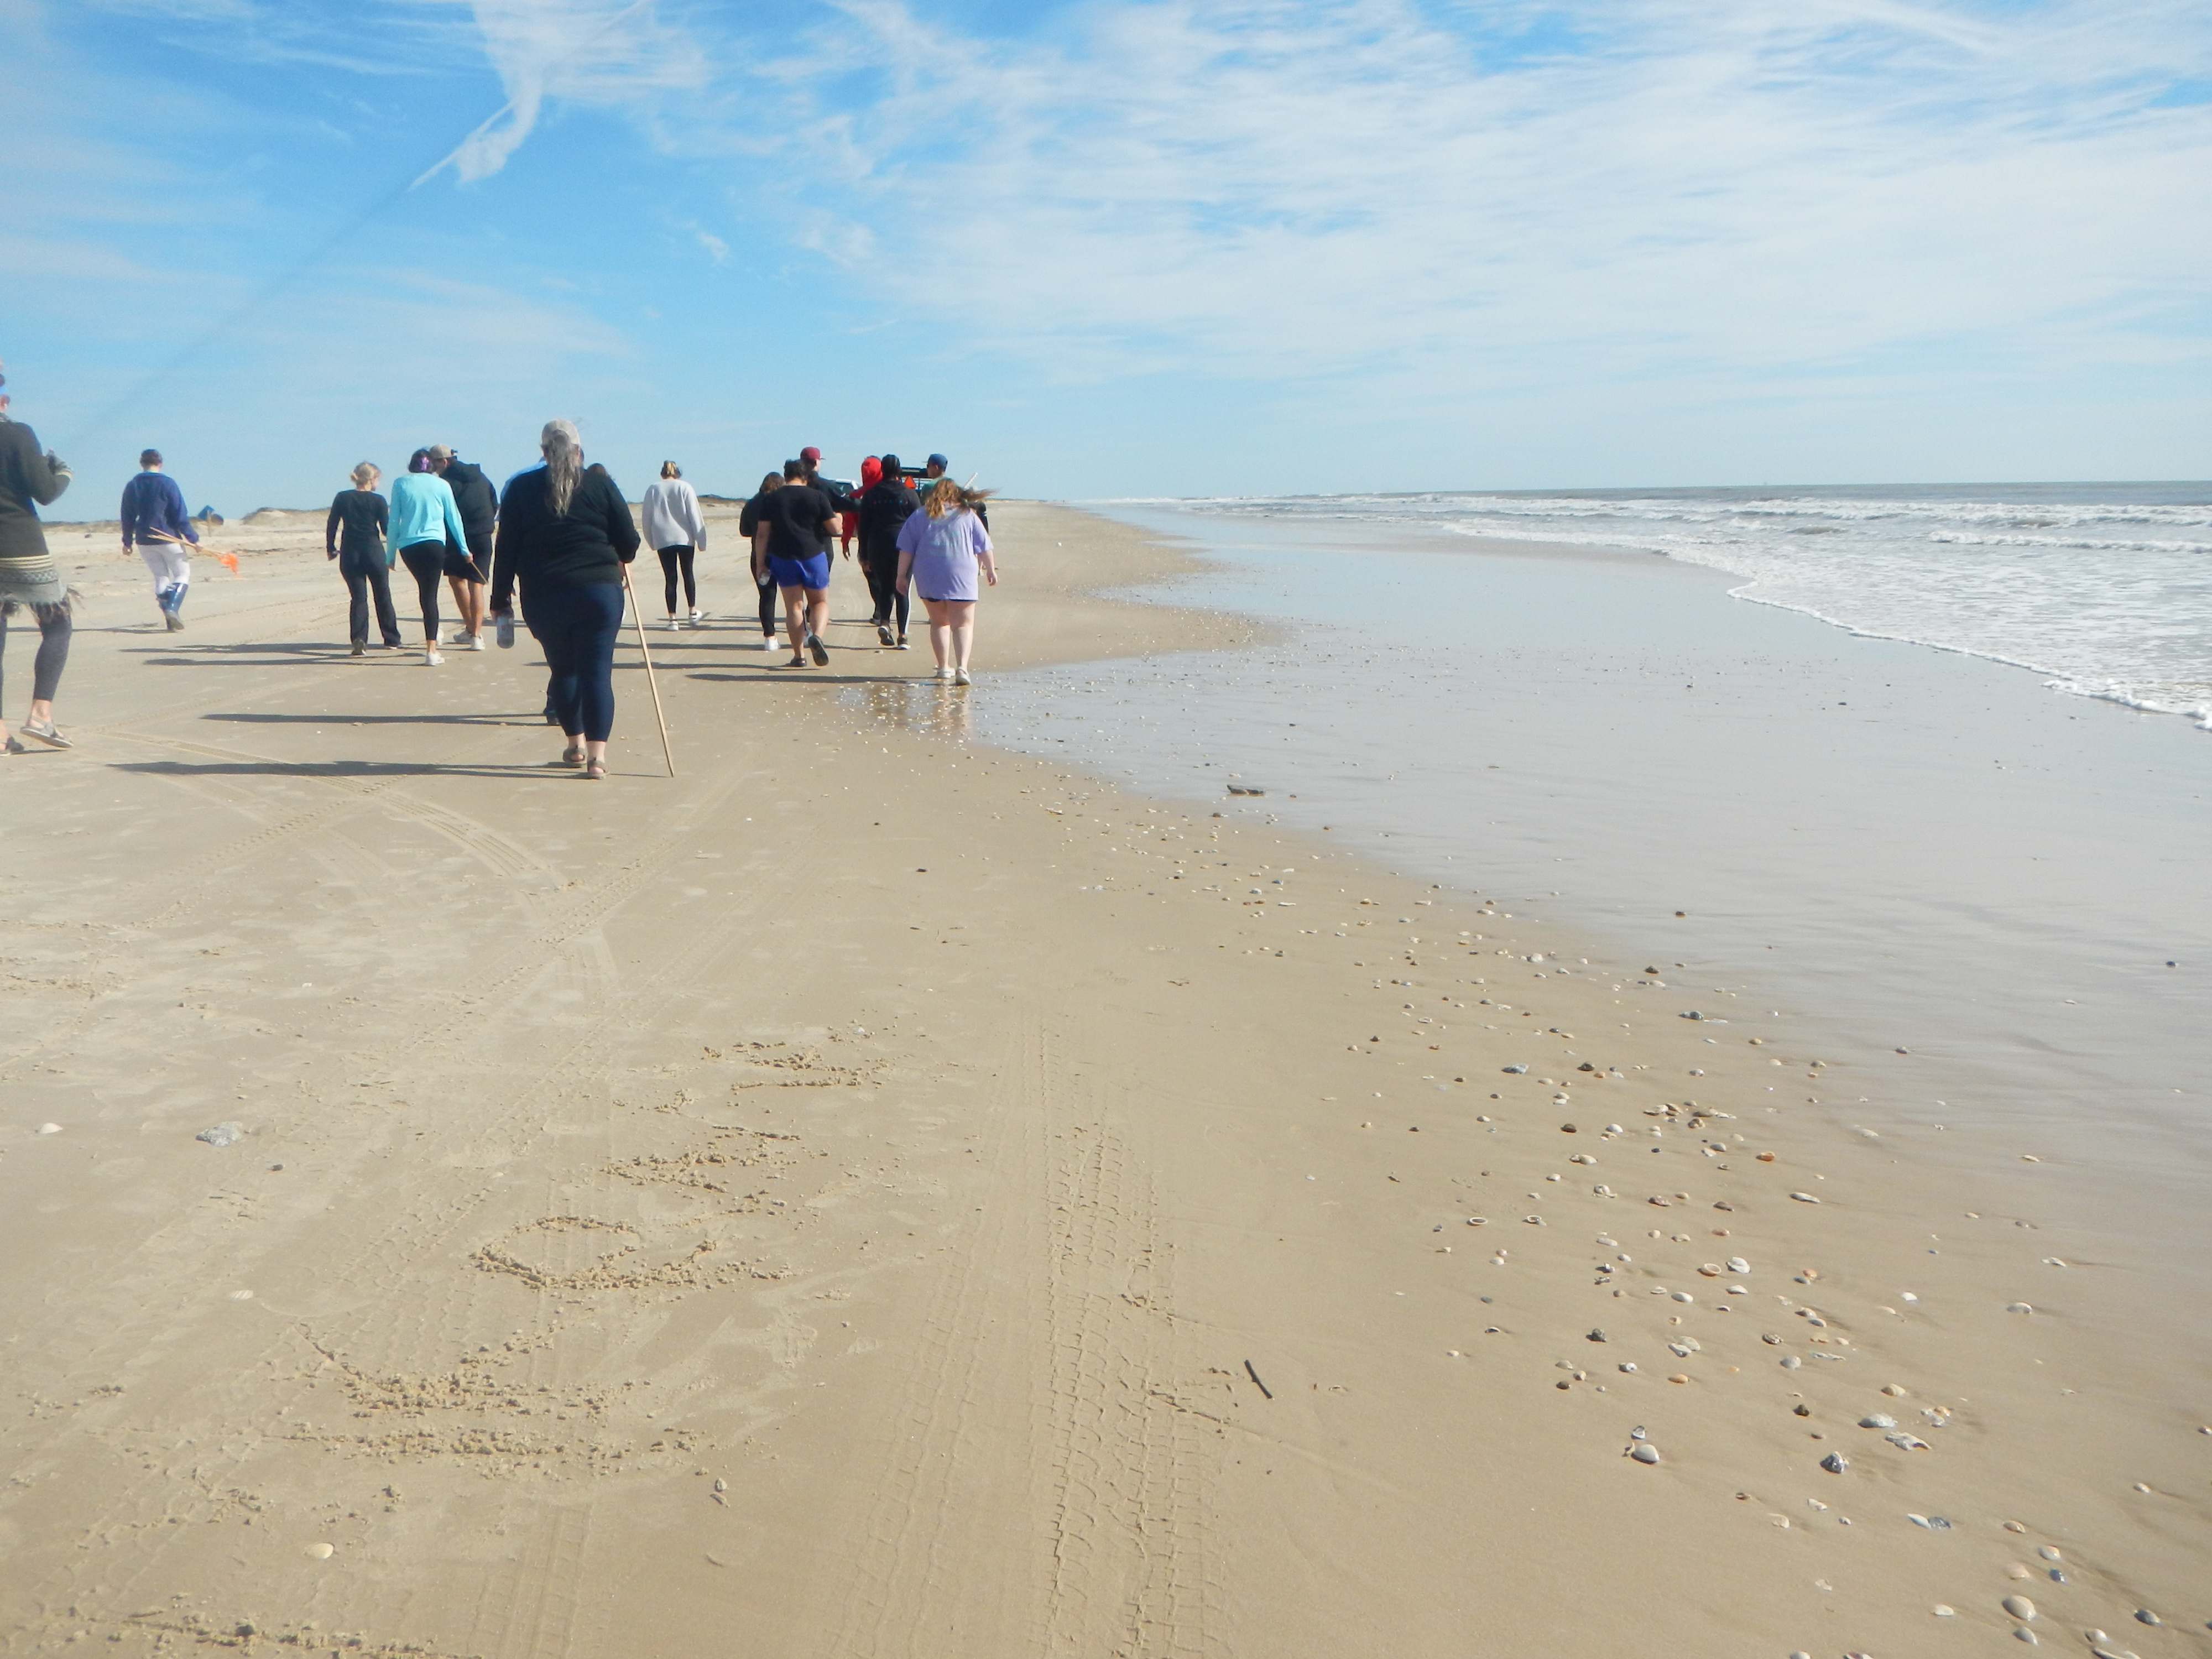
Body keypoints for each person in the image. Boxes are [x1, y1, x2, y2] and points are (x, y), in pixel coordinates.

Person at [488, 420, 639, 780]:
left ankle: (576, 745)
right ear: (578, 450)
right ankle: (598, 759)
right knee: (597, 672)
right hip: (599, 592)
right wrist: (615, 551)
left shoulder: (521, 488)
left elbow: (505, 548)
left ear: (543, 451)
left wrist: (500, 598)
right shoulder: (600, 484)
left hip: (545, 594)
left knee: (565, 669)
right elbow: (630, 543)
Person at [0, 367, 75, 752]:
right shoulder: (17, 433)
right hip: (20, 546)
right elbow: (44, 492)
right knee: (58, 625)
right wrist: (62, 472)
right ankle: (40, 716)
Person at [896, 477, 997, 686]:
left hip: (929, 574)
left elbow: (906, 549)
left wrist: (901, 575)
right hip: (961, 574)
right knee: (963, 624)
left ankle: (943, 668)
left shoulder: (919, 515)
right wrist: (990, 570)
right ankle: (962, 668)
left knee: (939, 622)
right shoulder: (967, 515)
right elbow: (984, 545)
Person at [388, 448, 472, 665]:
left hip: (408, 546)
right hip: (435, 544)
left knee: (426, 593)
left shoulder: (400, 483)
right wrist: (464, 548)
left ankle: (434, 637)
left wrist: (390, 555)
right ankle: (432, 650)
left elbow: (394, 521)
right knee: (430, 593)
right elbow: (454, 518)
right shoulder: (442, 484)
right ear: (432, 467)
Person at [759, 459, 838, 668]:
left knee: (794, 607)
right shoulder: (817, 496)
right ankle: (817, 637)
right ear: (806, 477)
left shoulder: (772, 499)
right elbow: (835, 529)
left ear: (786, 476)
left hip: (784, 557)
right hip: (813, 555)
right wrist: (839, 517)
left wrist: (760, 563)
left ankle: (799, 656)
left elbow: (762, 534)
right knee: (819, 603)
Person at [325, 462, 401, 655]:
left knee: (359, 598)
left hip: (350, 553)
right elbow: (386, 530)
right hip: (374, 552)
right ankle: (391, 638)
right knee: (383, 595)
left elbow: (332, 524)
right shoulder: (378, 500)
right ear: (372, 479)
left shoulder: (343, 498)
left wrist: (331, 548)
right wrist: (395, 547)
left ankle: (359, 639)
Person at [119, 448, 198, 631]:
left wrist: (127, 542)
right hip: (168, 536)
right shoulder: (168, 484)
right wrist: (193, 539)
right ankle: (172, 608)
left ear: (142, 464)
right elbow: (180, 515)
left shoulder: (133, 485)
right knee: (182, 574)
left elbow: (127, 516)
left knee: (161, 577)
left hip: (144, 538)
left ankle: (170, 617)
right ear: (160, 464)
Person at [427, 444, 496, 645]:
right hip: (483, 534)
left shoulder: (446, 482)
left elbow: (444, 511)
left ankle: (473, 631)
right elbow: (494, 502)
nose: (433, 468)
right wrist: (486, 523)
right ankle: (475, 635)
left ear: (444, 462)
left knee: (458, 581)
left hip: (459, 536)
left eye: (434, 463)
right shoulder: (481, 476)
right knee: (477, 584)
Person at [857, 451, 919, 648]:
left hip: (878, 544)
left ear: (882, 470)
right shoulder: (909, 493)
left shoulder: (871, 495)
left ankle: (885, 623)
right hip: (904, 545)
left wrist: (864, 555)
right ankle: (903, 636)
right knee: (902, 588)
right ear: (899, 471)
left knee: (885, 587)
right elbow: (918, 522)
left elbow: (863, 526)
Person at [641, 460, 709, 630]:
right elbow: (695, 515)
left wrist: (651, 541)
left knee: (670, 578)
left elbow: (646, 518)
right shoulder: (685, 487)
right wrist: (702, 541)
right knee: (688, 574)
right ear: (677, 473)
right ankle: (692, 611)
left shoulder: (653, 489)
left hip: (663, 539)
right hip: (685, 538)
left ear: (662, 473)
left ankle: (673, 619)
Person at [735, 471, 784, 651]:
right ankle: (802, 633)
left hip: (759, 554)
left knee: (766, 597)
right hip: (783, 553)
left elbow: (744, 530)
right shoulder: (781, 502)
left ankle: (770, 638)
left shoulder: (753, 503)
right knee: (794, 597)